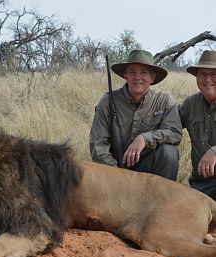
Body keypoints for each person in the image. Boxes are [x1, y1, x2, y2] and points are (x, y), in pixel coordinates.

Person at [89, 49, 182, 181]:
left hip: (149, 169)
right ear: (125, 76)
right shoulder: (107, 102)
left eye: (143, 72)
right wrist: (116, 174)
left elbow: (175, 133)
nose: (137, 77)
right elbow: (98, 145)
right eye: (132, 72)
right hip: (114, 171)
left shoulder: (164, 101)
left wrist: (144, 139)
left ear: (152, 77)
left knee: (169, 153)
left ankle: (163, 199)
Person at [178, 50, 216, 200]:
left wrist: (214, 151)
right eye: (202, 74)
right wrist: (144, 137)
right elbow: (170, 127)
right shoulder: (190, 104)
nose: (207, 79)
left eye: (213, 74)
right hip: (202, 183)